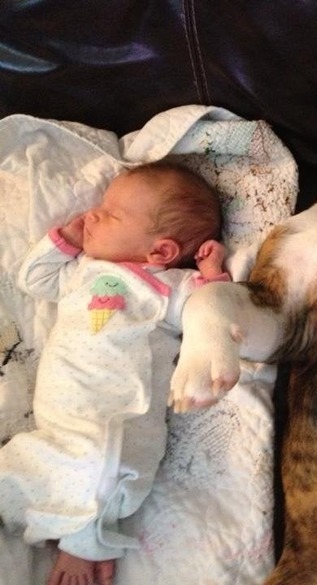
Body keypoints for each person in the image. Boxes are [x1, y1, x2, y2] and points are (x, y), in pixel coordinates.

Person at [0, 160, 229, 585]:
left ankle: (85, 543)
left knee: (100, 468)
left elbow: (207, 311)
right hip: (59, 416)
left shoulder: (168, 289)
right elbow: (33, 278)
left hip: (118, 418)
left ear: (159, 252)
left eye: (111, 214)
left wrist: (213, 275)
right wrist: (64, 241)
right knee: (21, 465)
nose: (93, 215)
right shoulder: (83, 272)